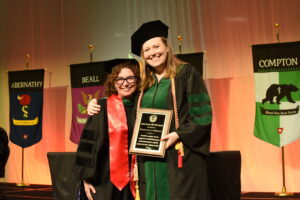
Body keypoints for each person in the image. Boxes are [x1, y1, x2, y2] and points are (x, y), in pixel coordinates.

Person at [88, 20, 212, 200]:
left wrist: (179, 134)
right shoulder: (145, 82)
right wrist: (99, 103)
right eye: (147, 50)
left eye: (156, 47)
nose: (153, 53)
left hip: (177, 154)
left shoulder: (186, 73)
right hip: (149, 156)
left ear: (167, 47)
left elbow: (202, 114)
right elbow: (126, 106)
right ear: (142, 55)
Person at [74, 61, 140, 200]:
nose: (125, 83)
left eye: (130, 78)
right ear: (114, 83)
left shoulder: (143, 107)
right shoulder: (102, 107)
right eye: (120, 79)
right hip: (105, 178)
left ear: (137, 80)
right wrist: (86, 179)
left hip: (137, 178)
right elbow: (89, 145)